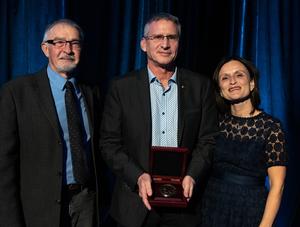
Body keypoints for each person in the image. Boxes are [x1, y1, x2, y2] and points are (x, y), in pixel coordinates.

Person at [100, 12, 218, 227]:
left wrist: (193, 174)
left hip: (184, 205)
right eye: (157, 37)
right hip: (135, 205)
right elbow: (109, 144)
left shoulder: (200, 86)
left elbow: (207, 140)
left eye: (171, 37)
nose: (165, 44)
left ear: (178, 44)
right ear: (144, 44)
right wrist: (137, 176)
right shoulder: (121, 87)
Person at [0, 19, 104, 227]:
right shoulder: (16, 92)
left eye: (75, 43)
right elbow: (4, 163)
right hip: (38, 208)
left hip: (85, 203)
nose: (68, 49)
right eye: (59, 42)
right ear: (45, 49)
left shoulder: (92, 93)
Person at [199, 56, 288, 227]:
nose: (232, 81)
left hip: (250, 208)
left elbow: (278, 185)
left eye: (239, 75)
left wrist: (265, 225)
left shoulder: (271, 127)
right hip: (211, 204)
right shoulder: (214, 123)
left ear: (252, 83)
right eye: (225, 78)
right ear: (220, 89)